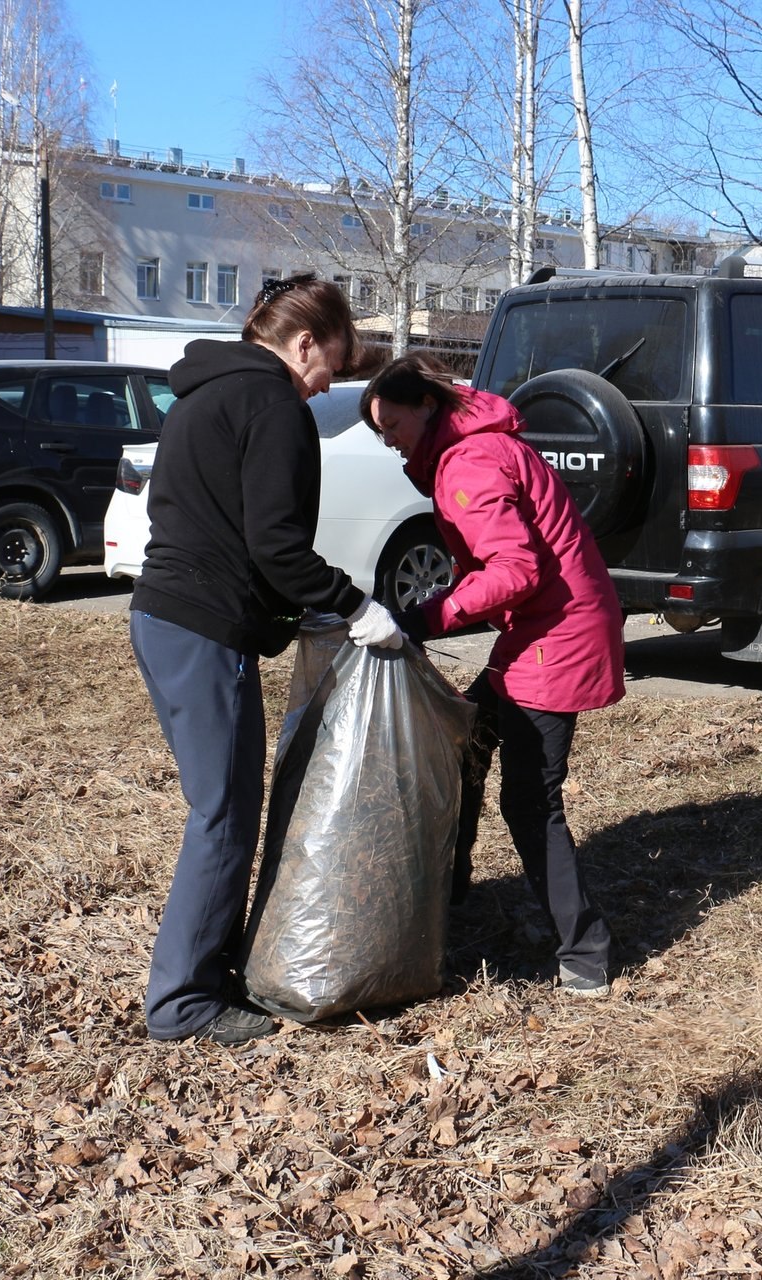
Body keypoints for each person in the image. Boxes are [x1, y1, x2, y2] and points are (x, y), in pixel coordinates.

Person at [129, 274, 401, 1046]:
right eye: (330, 368)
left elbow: (206, 515)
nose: (325, 388)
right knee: (222, 816)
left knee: (220, 809)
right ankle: (184, 1002)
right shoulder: (272, 403)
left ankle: (201, 977)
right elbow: (275, 543)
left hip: (163, 616)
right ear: (304, 342)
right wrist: (355, 605)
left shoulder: (202, 393)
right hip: (201, 629)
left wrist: (287, 605)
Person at [362, 354, 626, 997]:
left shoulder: (470, 462)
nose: (389, 439)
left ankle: (585, 954)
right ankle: (451, 898)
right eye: (380, 430)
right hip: (541, 630)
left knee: (531, 802)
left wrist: (426, 618)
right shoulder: (476, 448)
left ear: (426, 407)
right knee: (464, 742)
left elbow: (516, 570)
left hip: (554, 639)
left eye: (392, 423)